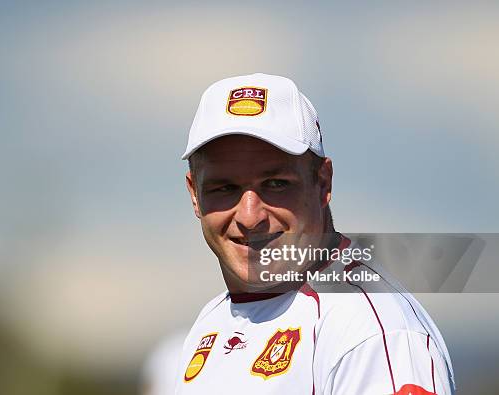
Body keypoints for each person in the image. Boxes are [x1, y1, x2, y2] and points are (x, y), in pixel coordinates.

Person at [174, 73, 455, 394]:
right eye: (224, 188)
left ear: (323, 182)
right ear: (194, 194)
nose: (250, 217)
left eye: (276, 184)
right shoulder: (211, 322)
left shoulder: (371, 332)